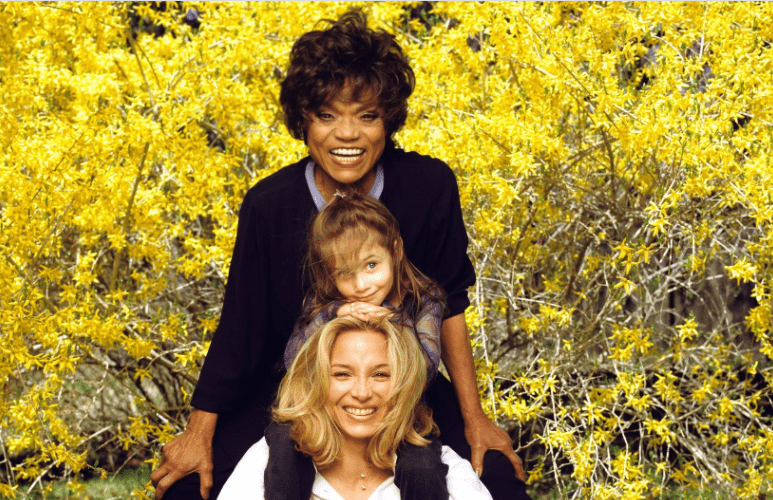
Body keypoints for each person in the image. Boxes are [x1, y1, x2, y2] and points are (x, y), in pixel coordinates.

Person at [150, 10, 528, 500]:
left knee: (498, 480)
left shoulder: (429, 187)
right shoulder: (268, 205)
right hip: (289, 390)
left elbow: (450, 303)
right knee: (184, 491)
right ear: (303, 121)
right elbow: (240, 328)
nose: (346, 135)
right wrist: (198, 434)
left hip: (405, 386)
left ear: (387, 121)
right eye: (327, 115)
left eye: (366, 116)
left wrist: (475, 419)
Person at [266, 192, 449, 500]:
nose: (362, 285)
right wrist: (331, 314)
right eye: (345, 274)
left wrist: (392, 322)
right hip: (320, 413)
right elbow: (294, 361)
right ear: (329, 274)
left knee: (422, 467)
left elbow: (423, 371)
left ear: (396, 251)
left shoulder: (425, 299)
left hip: (400, 415)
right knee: (284, 446)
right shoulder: (323, 301)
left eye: (371, 265)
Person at [219, 317, 493, 500]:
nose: (362, 393)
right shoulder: (266, 461)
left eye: (380, 375)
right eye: (342, 375)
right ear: (316, 383)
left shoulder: (448, 471)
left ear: (405, 385)